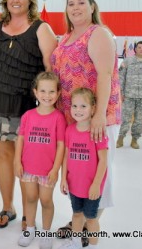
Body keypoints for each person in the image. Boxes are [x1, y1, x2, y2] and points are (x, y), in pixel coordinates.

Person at [0, 0, 57, 230]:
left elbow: (50, 71)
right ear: (5, 0)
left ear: (30, 1)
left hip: (26, 107)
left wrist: (50, 110)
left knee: (27, 160)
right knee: (3, 155)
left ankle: (29, 214)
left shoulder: (41, 28)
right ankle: (7, 207)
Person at [50, 0, 121, 244]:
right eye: (71, 3)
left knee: (98, 173)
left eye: (81, 2)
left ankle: (92, 223)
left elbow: (104, 75)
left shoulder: (98, 34)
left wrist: (99, 115)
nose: (76, 7)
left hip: (97, 118)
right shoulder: (66, 36)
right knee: (79, 172)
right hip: (75, 120)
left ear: (92, 7)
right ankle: (79, 220)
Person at [14, 72, 65, 249]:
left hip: (47, 170)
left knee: (45, 200)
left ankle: (46, 232)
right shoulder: (28, 116)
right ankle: (29, 228)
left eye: (52, 92)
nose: (47, 95)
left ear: (58, 93)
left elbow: (61, 145)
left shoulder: (58, 117)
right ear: (35, 92)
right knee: (30, 197)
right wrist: (17, 162)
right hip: (28, 167)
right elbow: (20, 139)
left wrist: (55, 169)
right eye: (43, 91)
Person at [60, 88, 108, 249]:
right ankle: (75, 242)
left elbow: (103, 161)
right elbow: (66, 156)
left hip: (91, 187)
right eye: (74, 106)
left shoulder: (98, 132)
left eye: (83, 106)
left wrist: (96, 184)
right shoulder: (69, 130)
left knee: (91, 218)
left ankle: (93, 246)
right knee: (76, 214)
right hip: (75, 184)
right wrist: (63, 178)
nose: (78, 110)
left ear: (93, 108)